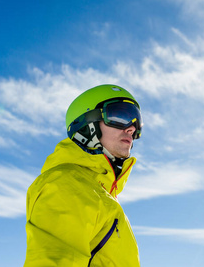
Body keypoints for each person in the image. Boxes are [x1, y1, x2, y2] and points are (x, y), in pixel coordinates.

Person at [24, 84, 143, 267]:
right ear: (88, 125)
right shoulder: (66, 184)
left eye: (136, 121)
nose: (131, 128)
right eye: (121, 116)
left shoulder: (102, 194)